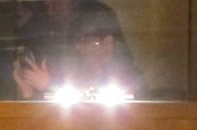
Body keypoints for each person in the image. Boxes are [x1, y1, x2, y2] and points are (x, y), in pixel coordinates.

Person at [13, 0, 141, 99]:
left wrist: (49, 85)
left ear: (107, 43)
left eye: (84, 41)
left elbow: (87, 96)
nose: (52, 6)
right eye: (48, 2)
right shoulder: (39, 23)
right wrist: (27, 92)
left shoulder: (95, 16)